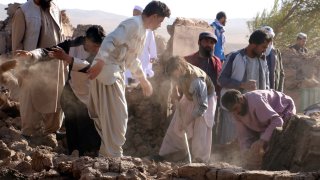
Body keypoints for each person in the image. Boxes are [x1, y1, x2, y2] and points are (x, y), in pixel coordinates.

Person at [86, 1, 171, 157]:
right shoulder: (133, 24)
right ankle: (113, 156)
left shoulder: (143, 31)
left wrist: (144, 81)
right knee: (118, 118)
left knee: (113, 118)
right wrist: (100, 62)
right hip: (108, 74)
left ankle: (108, 155)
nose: (160, 26)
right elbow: (110, 40)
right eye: (160, 21)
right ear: (154, 16)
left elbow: (132, 59)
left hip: (114, 73)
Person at [17, 26, 105, 156]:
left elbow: (89, 68)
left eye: (98, 45)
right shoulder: (74, 44)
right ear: (86, 40)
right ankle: (73, 158)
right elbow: (48, 51)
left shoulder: (103, 50)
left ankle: (89, 158)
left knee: (89, 131)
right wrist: (32, 55)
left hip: (90, 96)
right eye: (94, 45)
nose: (96, 48)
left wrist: (67, 58)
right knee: (72, 128)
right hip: (71, 93)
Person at [12, 0, 64, 141]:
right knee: (29, 97)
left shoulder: (55, 8)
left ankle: (53, 129)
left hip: (54, 62)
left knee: (56, 95)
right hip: (31, 62)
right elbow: (17, 42)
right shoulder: (22, 12)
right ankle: (28, 131)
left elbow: (61, 36)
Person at [217, 29, 271, 144]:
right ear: (253, 44)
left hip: (253, 110)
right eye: (263, 47)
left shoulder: (262, 59)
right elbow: (221, 80)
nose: (265, 50)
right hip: (233, 108)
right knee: (230, 140)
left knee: (248, 141)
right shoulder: (235, 56)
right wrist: (242, 84)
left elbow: (266, 84)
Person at [159, 56, 216, 163]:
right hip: (189, 95)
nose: (173, 76)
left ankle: (199, 160)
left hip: (205, 100)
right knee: (177, 123)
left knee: (200, 128)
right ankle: (170, 153)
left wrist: (188, 121)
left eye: (174, 73)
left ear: (180, 68)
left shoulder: (197, 81)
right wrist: (174, 90)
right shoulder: (179, 72)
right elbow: (174, 78)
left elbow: (202, 106)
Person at [221, 89, 296, 153]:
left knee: (273, 145)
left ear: (241, 100)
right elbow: (244, 136)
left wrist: (262, 140)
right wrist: (246, 152)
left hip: (284, 110)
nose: (235, 113)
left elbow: (278, 122)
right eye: (232, 111)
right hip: (267, 120)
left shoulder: (256, 101)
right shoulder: (235, 113)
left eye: (235, 108)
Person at [125, 5, 158, 85]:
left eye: (137, 14)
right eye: (134, 14)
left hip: (144, 57)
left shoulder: (148, 29)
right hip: (131, 56)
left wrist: (153, 56)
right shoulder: (130, 26)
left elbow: (152, 44)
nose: (135, 16)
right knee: (129, 76)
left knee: (141, 75)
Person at [185, 32, 222, 96]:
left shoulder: (217, 61)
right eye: (206, 42)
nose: (209, 45)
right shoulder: (188, 60)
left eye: (212, 43)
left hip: (212, 97)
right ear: (199, 42)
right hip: (193, 98)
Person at [260, 26, 284, 92]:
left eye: (270, 37)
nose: (268, 39)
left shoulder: (276, 52)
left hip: (274, 90)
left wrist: (280, 92)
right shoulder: (255, 53)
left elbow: (281, 73)